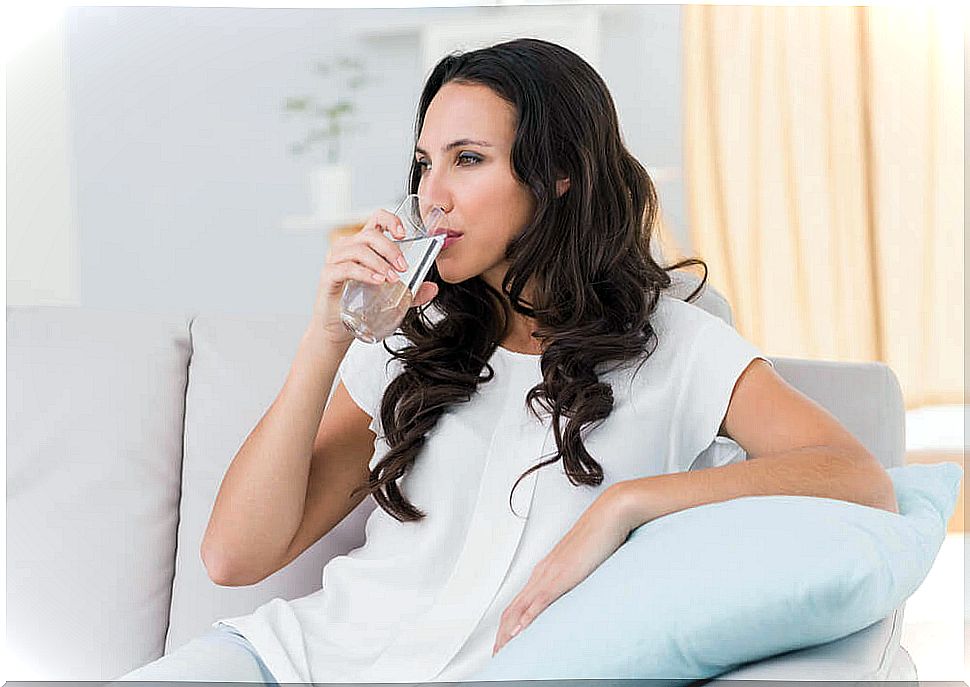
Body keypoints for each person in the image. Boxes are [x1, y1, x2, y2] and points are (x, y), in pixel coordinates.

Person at [114, 37, 896, 685]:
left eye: (468, 159)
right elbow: (233, 554)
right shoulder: (408, 336)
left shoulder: (675, 342)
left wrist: (628, 505)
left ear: (558, 173)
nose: (433, 194)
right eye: (425, 162)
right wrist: (326, 339)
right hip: (296, 662)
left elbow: (856, 476)